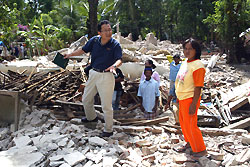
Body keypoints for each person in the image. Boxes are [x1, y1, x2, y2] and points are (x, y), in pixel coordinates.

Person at [64, 20, 122, 137]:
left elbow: (119, 59)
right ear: (99, 32)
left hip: (106, 76)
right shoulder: (94, 41)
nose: (108, 32)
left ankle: (108, 130)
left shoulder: (115, 45)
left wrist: (114, 66)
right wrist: (70, 55)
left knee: (106, 105)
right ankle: (92, 118)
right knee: (86, 99)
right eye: (105, 30)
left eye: (110, 29)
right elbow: (83, 50)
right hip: (93, 73)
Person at [174, 38, 207, 157]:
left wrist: (193, 104)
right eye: (185, 49)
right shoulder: (185, 62)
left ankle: (200, 149)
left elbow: (198, 87)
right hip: (182, 98)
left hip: (190, 98)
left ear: (196, 50)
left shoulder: (198, 65)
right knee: (183, 123)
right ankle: (189, 142)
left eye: (190, 49)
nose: (187, 51)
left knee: (191, 125)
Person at [165, 54, 181, 124]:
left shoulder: (181, 65)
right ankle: (168, 104)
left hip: (178, 80)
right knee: (171, 92)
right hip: (172, 80)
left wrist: (181, 60)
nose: (175, 60)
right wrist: (173, 58)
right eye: (174, 59)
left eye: (177, 59)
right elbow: (168, 56)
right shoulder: (172, 63)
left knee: (176, 92)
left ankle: (176, 103)